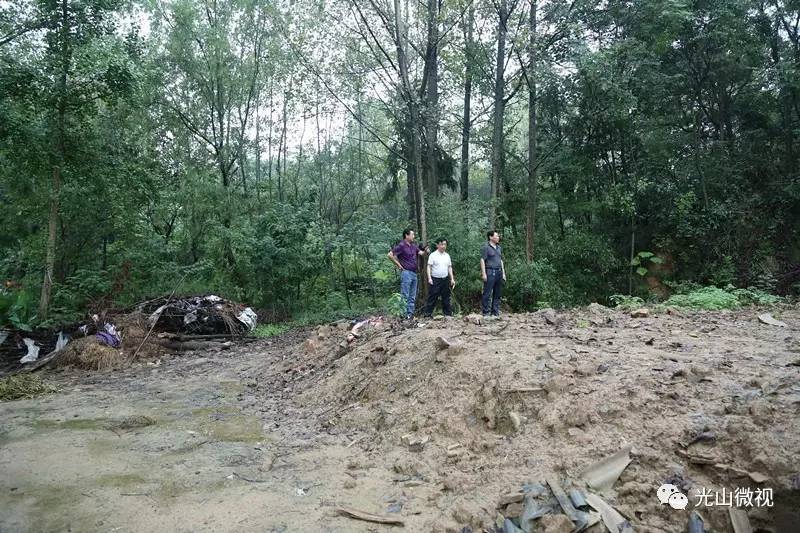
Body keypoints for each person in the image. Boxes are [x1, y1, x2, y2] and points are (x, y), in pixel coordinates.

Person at [387, 228, 429, 319]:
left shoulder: (413, 246)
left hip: (414, 273)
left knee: (412, 296)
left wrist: (426, 251)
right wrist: (398, 265)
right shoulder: (401, 245)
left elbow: (422, 254)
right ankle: (403, 315)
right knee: (405, 295)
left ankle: (410, 315)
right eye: (412, 234)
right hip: (406, 273)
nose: (413, 236)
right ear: (406, 235)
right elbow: (390, 255)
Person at [423, 238, 455, 317]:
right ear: (437, 245)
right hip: (435, 279)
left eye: (445, 244)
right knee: (432, 297)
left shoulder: (447, 255)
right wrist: (429, 278)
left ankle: (448, 314)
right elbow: (429, 267)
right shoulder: (433, 255)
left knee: (446, 297)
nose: (443, 246)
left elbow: (449, 267)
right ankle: (427, 314)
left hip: (445, 279)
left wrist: (452, 279)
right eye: (441, 244)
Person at [480, 230, 506, 317]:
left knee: (497, 293)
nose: (498, 237)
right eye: (496, 236)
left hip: (499, 271)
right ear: (491, 237)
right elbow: (482, 260)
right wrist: (484, 273)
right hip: (490, 271)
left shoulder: (499, 248)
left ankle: (495, 312)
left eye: (498, 236)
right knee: (487, 293)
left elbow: (500, 260)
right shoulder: (486, 247)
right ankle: (486, 312)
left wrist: (503, 273)